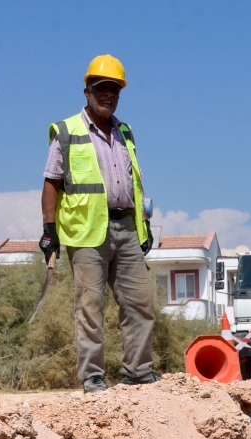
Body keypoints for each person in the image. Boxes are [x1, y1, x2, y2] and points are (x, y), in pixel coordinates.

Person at [40, 54, 159, 394]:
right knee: (90, 306)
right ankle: (93, 376)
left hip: (126, 228)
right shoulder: (67, 131)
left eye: (115, 89)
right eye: (102, 88)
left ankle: (137, 371)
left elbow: (133, 183)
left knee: (140, 302)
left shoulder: (125, 132)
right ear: (87, 91)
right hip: (87, 231)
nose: (108, 95)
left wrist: (143, 225)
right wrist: (49, 230)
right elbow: (51, 182)